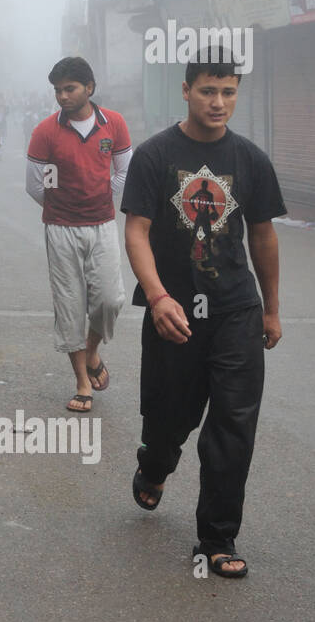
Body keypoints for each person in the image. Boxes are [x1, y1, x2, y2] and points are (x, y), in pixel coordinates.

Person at [121, 46, 285, 579]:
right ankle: (155, 465)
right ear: (186, 91)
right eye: (208, 91)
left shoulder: (251, 161)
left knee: (234, 425)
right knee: (170, 418)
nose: (219, 102)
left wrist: (271, 310)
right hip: (174, 314)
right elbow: (137, 231)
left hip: (236, 308)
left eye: (229, 91)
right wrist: (159, 295)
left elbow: (262, 235)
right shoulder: (154, 155)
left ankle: (217, 537)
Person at [26, 56, 133, 412]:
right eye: (57, 90)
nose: (62, 96)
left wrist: (99, 194)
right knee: (69, 304)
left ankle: (91, 351)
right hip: (60, 229)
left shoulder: (113, 124)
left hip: (102, 225)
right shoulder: (45, 131)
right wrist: (63, 204)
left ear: (89, 88)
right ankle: (82, 382)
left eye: (69, 89)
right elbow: (35, 185)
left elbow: (123, 171)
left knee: (110, 299)